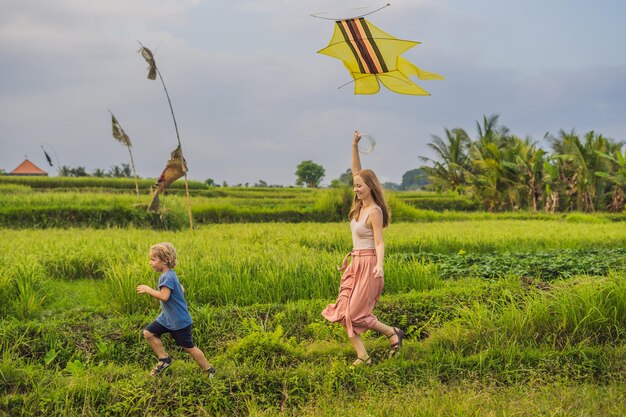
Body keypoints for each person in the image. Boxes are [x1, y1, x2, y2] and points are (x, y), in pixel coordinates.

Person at [322, 131, 405, 366]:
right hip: (355, 264)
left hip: (369, 264)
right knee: (344, 312)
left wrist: (380, 264)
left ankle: (390, 334)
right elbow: (355, 171)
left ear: (370, 187)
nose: (356, 189)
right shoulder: (358, 207)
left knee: (355, 314)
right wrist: (354, 146)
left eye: (359, 186)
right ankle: (367, 353)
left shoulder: (374, 211)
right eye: (355, 186)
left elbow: (379, 242)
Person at [137, 242, 216, 376]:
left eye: (153, 259)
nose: (150, 263)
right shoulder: (170, 274)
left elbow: (164, 296)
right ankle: (164, 359)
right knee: (148, 333)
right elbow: (181, 289)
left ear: (165, 260)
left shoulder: (167, 277)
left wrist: (148, 290)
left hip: (179, 321)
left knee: (189, 348)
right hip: (167, 318)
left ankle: (209, 370)